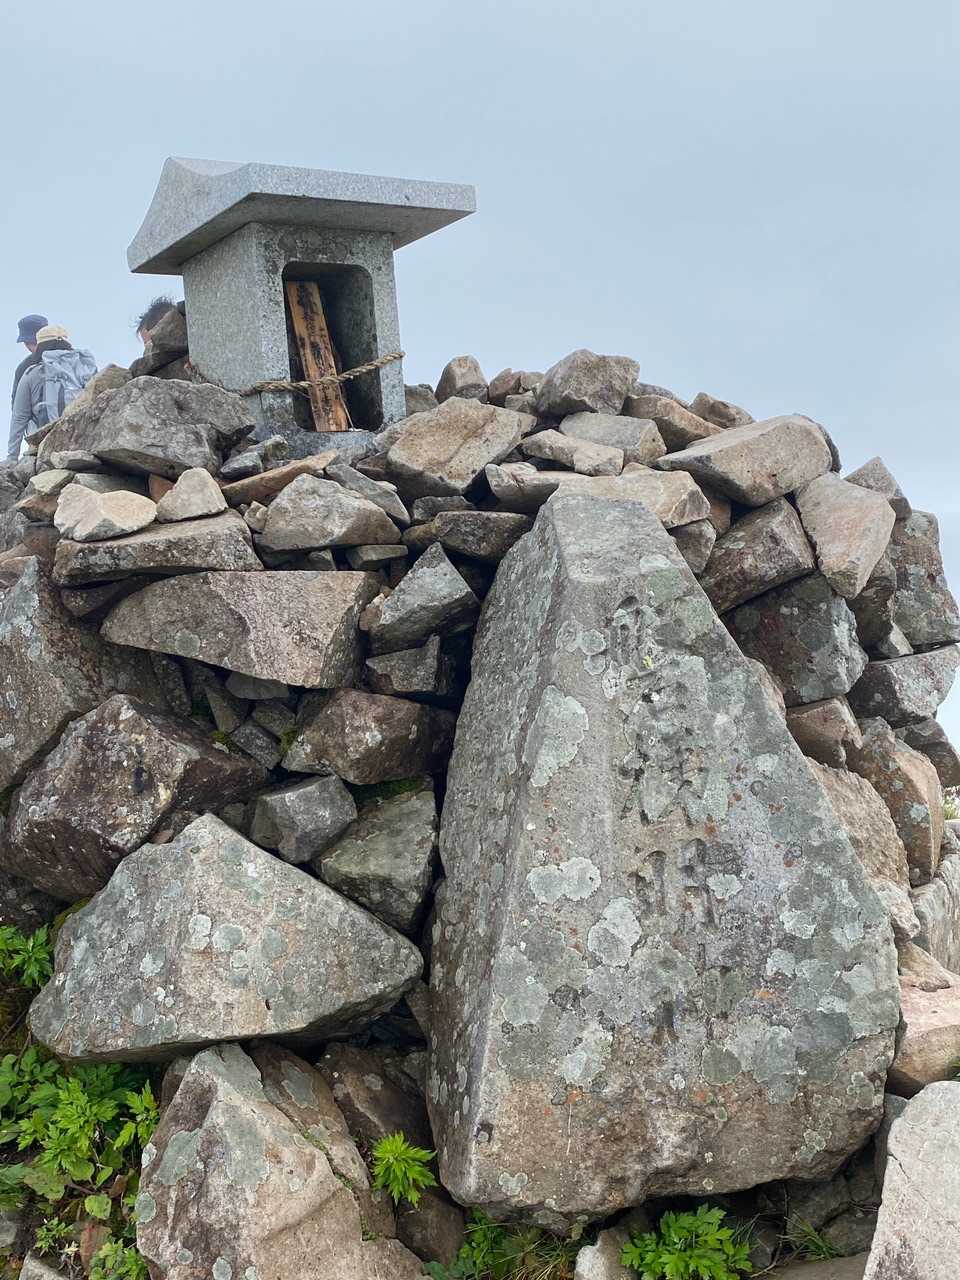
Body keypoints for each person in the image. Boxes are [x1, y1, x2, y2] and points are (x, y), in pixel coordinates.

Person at [7, 325, 97, 461]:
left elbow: (19, 417)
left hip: (46, 445)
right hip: (83, 439)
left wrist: (12, 457)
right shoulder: (85, 367)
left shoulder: (32, 372)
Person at [10, 313, 48, 409]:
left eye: (35, 342)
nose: (33, 348)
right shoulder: (23, 368)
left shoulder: (23, 368)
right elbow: (16, 407)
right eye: (29, 343)